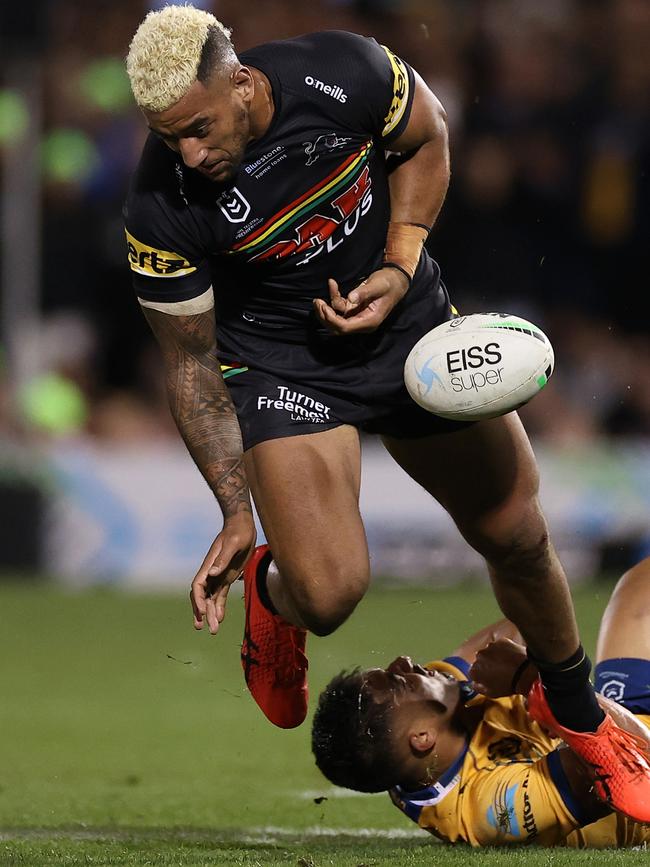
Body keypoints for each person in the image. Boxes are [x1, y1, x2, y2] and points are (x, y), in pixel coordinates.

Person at [123, 5, 650, 819]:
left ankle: (579, 716)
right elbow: (190, 366)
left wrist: (402, 259)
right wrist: (236, 510)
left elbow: (428, 136)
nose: (188, 152)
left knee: (517, 530)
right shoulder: (160, 206)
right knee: (329, 593)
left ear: (239, 77)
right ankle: (275, 589)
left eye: (197, 127)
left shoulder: (344, 72)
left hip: (405, 329)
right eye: (168, 138)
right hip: (283, 363)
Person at [311, 556, 650, 846]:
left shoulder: (439, 708)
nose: (404, 661)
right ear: (421, 738)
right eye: (399, 681)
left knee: (638, 590)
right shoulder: (484, 809)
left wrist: (521, 555)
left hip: (625, 715)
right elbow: (626, 769)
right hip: (641, 777)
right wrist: (532, 678)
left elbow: (529, 618)